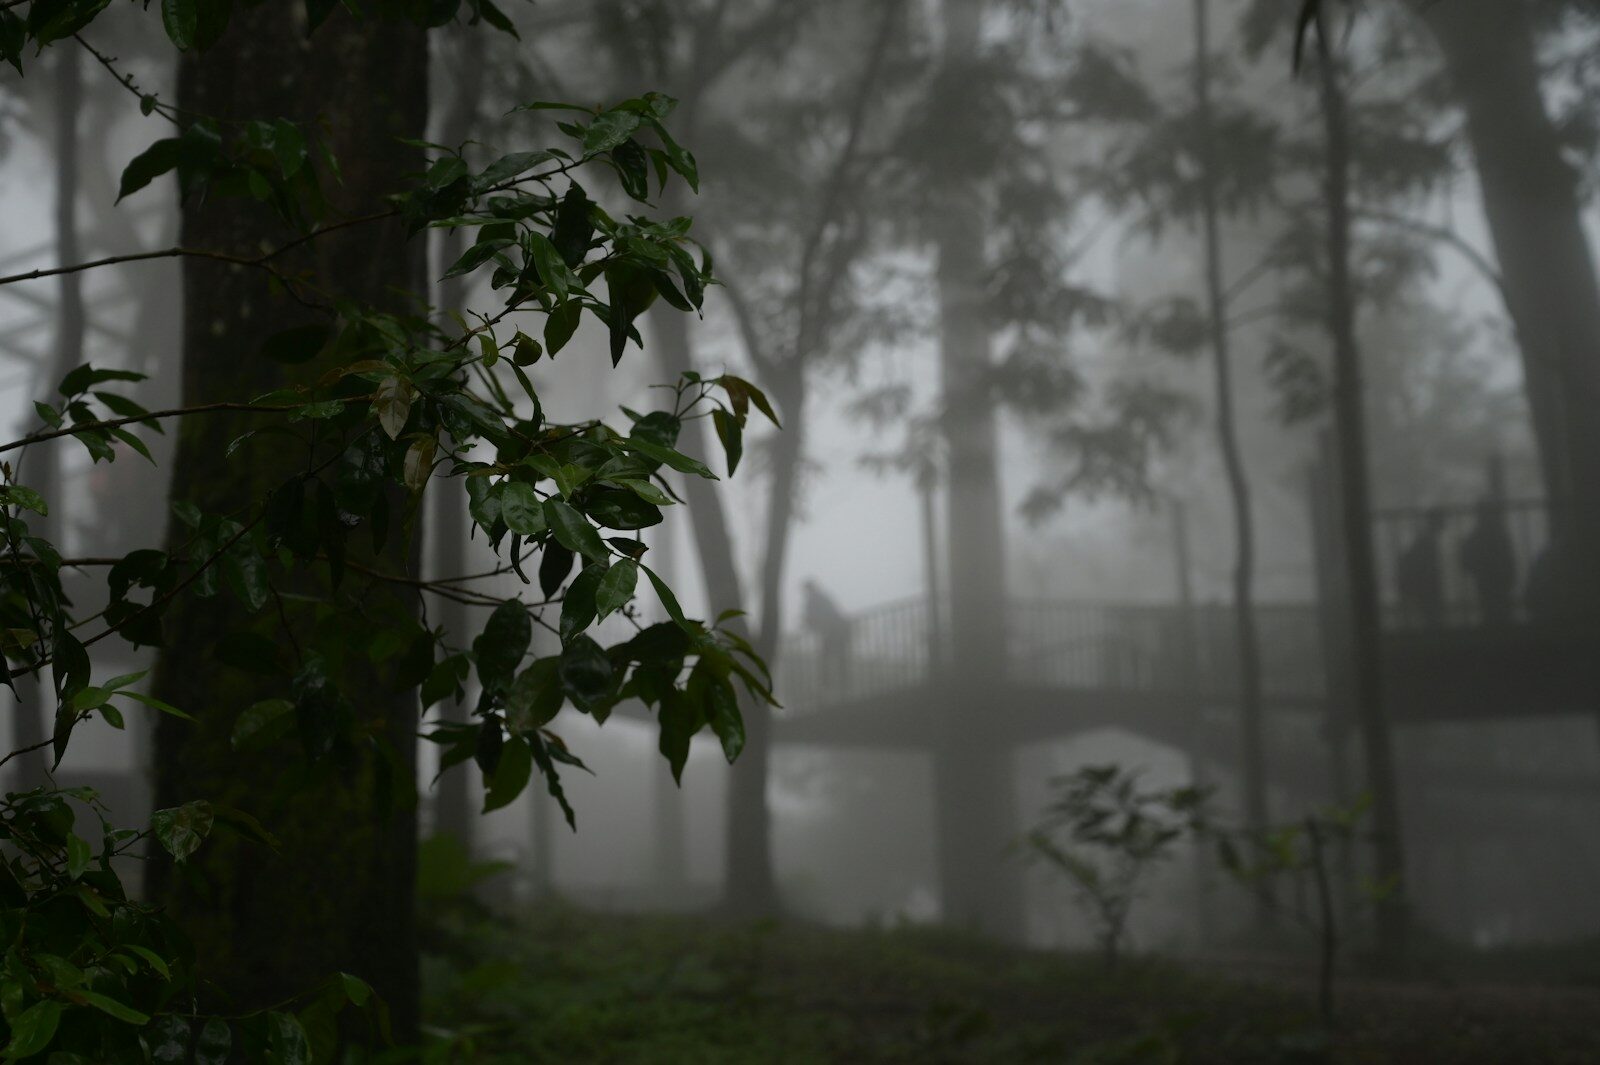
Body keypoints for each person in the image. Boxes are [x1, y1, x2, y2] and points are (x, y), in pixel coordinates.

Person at [1459, 496, 1516, 625]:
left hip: (1486, 584)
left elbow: (1466, 562)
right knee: (1502, 615)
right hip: (1501, 584)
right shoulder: (1500, 535)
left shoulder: (1476, 536)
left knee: (1490, 614)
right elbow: (1510, 560)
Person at [1396, 509, 1447, 628]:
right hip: (1426, 585)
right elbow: (1426, 566)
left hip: (1422, 584)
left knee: (1428, 617)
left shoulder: (1425, 539)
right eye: (1442, 521)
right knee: (1432, 617)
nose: (1444, 524)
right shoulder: (1427, 540)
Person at [802, 578, 852, 689]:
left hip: (832, 631)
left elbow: (812, 617)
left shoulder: (814, 600)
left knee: (827, 657)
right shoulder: (822, 597)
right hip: (837, 630)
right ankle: (841, 681)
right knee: (838, 656)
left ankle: (827, 683)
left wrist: (808, 623)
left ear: (809, 589)